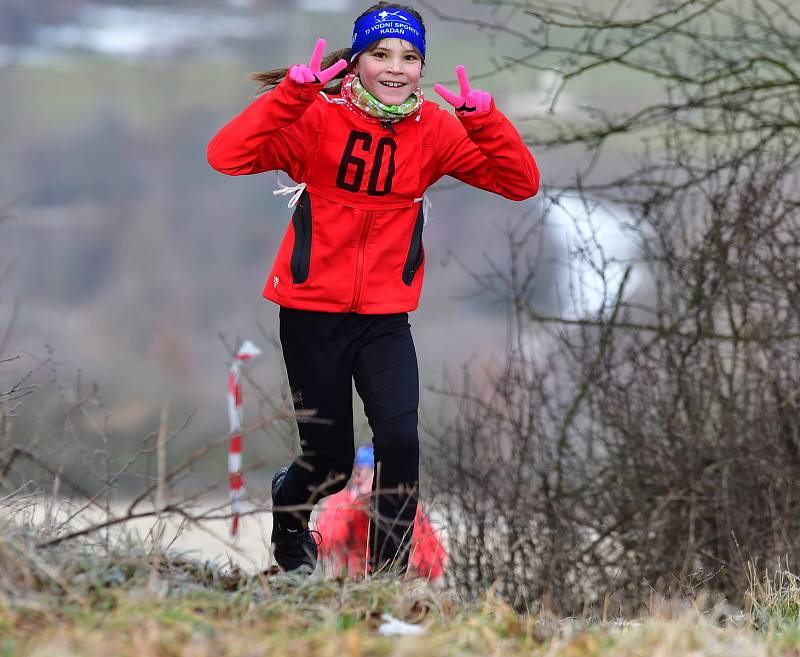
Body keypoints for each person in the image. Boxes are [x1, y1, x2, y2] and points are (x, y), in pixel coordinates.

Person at [207, 2, 539, 575]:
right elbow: (226, 155)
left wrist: (483, 120)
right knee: (331, 464)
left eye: (410, 57)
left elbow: (520, 182)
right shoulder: (316, 118)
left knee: (401, 445)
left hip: (386, 317)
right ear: (356, 61)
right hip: (311, 313)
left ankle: (386, 580)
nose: (396, 67)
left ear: (421, 67)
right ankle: (290, 517)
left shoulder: (434, 130)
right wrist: (293, 95)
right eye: (381, 54)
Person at [315, 444, 446, 579]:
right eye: (357, 472)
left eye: (368, 472)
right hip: (348, 589)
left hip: (396, 590)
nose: (359, 479)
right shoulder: (341, 503)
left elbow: (435, 564)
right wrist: (353, 508)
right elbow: (323, 546)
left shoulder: (405, 509)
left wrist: (403, 565)